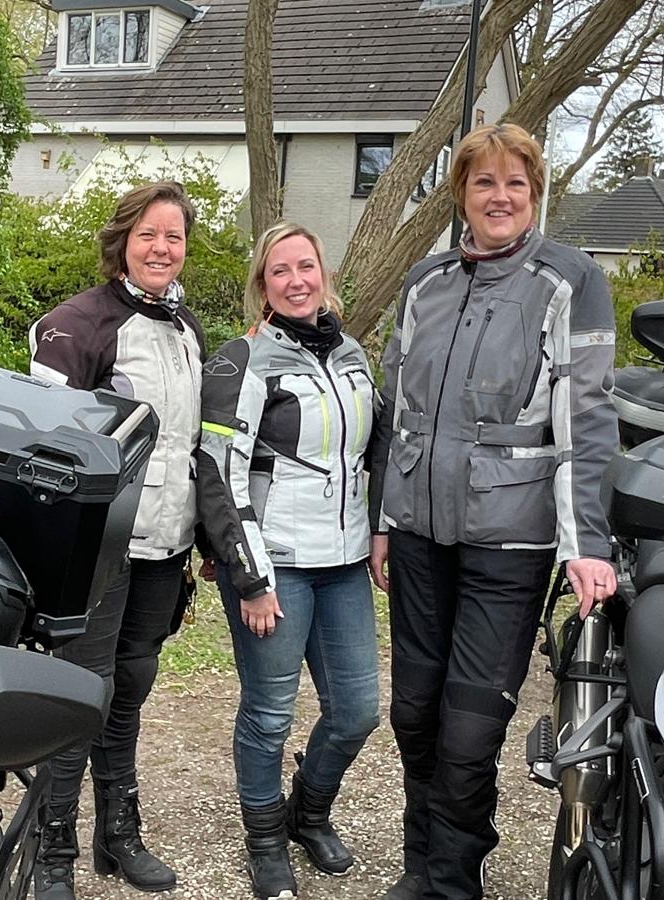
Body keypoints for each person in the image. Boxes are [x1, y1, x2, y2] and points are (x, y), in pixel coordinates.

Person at [366, 123, 620, 900]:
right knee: (415, 714)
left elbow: (587, 417)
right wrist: (382, 519)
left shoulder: (570, 279)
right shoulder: (426, 281)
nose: (499, 196)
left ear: (534, 193)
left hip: (507, 543)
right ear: (462, 195)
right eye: (484, 182)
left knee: (470, 727)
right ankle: (422, 865)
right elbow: (395, 410)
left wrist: (586, 542)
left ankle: (454, 879)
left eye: (515, 182)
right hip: (418, 533)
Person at [27, 181, 206, 899]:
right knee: (82, 692)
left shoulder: (186, 328)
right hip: (99, 548)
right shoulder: (78, 324)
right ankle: (51, 849)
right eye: (148, 234)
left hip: (166, 544)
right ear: (122, 241)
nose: (162, 248)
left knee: (130, 685)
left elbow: (188, 447)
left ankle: (118, 833)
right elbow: (45, 448)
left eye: (174, 236)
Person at [194, 222, 382, 900]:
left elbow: (375, 450)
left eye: (306, 266)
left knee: (358, 710)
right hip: (273, 566)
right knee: (270, 712)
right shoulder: (241, 359)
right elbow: (218, 471)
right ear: (262, 285)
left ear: (324, 273)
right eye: (280, 270)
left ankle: (308, 811)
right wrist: (249, 577)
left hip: (345, 562)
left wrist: (381, 532)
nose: (297, 280)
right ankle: (265, 840)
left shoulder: (353, 352)